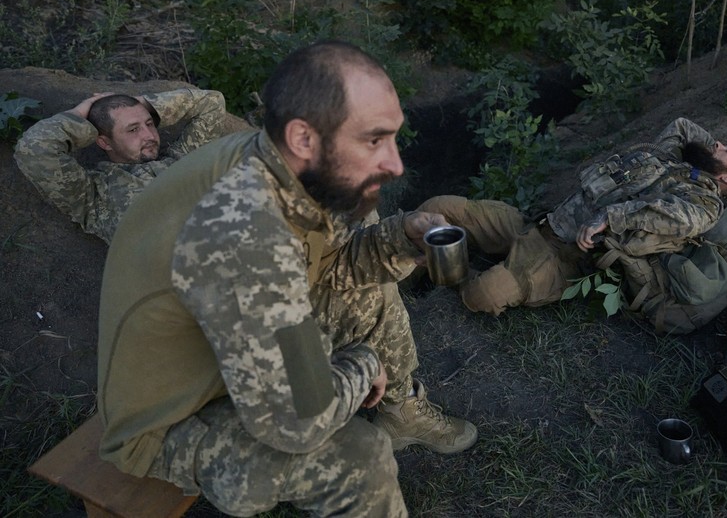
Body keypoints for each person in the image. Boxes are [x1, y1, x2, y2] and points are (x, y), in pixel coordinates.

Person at [97, 41, 477, 517]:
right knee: (359, 458)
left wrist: (404, 238)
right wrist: (362, 367)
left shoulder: (287, 168)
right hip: (172, 413)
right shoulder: (244, 231)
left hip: (228, 344)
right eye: (373, 141)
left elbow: (333, 266)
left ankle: (402, 413)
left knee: (372, 294)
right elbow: (299, 421)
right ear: (303, 138)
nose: (395, 164)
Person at [417, 117, 727, 316]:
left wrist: (610, 215)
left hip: (561, 257)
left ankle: (452, 272)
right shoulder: (673, 159)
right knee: (440, 205)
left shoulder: (705, 205)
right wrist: (711, 152)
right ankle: (410, 262)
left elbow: (675, 218)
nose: (718, 144)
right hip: (539, 223)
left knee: (482, 295)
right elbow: (683, 126)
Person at [13, 88, 228, 243]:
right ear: (104, 142)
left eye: (149, 124)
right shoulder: (93, 196)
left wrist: (142, 104)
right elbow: (34, 148)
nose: (150, 135)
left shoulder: (182, 158)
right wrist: (79, 115)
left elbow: (211, 102)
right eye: (133, 129)